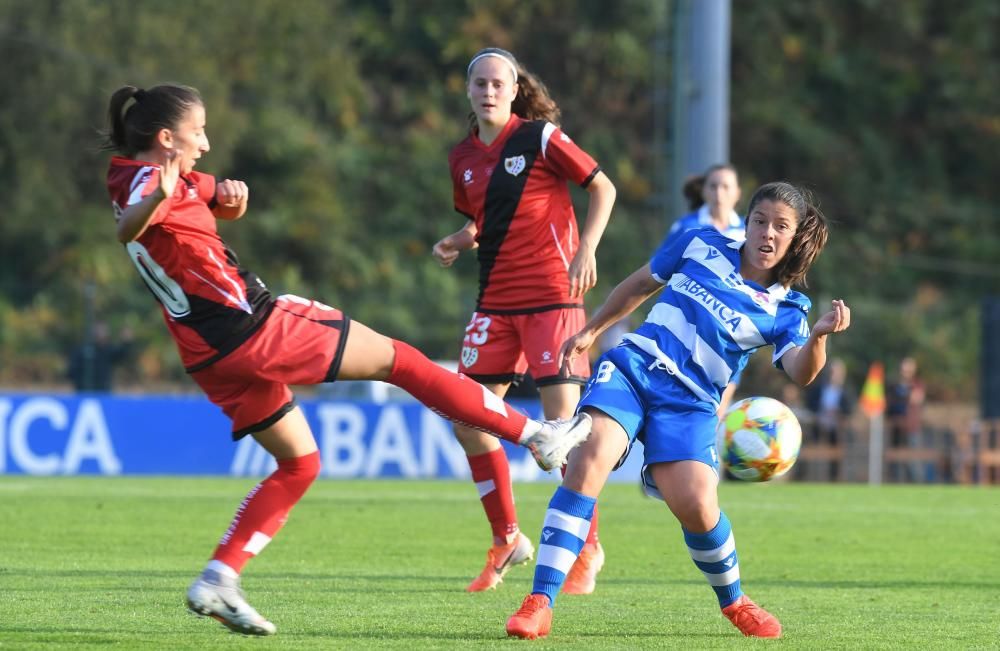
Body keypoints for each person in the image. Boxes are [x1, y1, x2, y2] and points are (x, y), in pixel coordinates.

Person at [101, 83, 594, 636]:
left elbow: (208, 198)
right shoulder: (151, 184)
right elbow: (130, 227)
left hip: (207, 354)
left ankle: (220, 576)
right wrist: (160, 198)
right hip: (256, 325)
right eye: (198, 132)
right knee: (402, 362)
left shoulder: (128, 174)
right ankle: (536, 436)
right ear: (167, 139)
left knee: (300, 464)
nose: (207, 143)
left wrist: (230, 199)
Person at [504, 181, 851, 640]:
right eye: (760, 221)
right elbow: (642, 284)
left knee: (697, 504)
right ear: (746, 223)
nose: (767, 234)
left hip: (691, 404)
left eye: (780, 227)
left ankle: (735, 602)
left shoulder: (787, 307)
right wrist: (592, 330)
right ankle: (539, 601)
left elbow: (800, 371)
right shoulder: (701, 242)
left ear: (795, 236)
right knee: (588, 461)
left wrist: (821, 337)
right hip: (635, 369)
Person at [432, 48, 617, 594]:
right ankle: (507, 538)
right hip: (494, 301)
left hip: (554, 300)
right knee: (466, 418)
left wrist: (587, 248)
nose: (489, 91)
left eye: (498, 83)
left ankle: (587, 546)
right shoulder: (462, 157)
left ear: (514, 91)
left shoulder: (539, 137)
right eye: (480, 83)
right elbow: (485, 220)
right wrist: (458, 240)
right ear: (468, 92)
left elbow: (602, 186)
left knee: (565, 428)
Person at [661, 163, 744, 417]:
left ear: (737, 193)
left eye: (725, 186)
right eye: (714, 186)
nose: (719, 192)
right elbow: (661, 269)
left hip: (729, 320)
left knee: (716, 409)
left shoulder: (747, 231)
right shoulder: (686, 226)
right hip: (687, 314)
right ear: (705, 192)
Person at [886, 356, 926, 482]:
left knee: (912, 462)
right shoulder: (893, 386)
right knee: (895, 461)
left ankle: (916, 487)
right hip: (896, 427)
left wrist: (900, 398)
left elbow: (916, 399)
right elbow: (888, 404)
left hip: (911, 428)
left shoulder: (917, 385)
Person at [66, 321, 134, 392]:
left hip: (103, 393)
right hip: (84, 392)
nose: (101, 334)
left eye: (103, 331)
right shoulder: (82, 350)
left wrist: (126, 343)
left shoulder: (108, 350)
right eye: (98, 331)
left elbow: (122, 355)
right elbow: (71, 371)